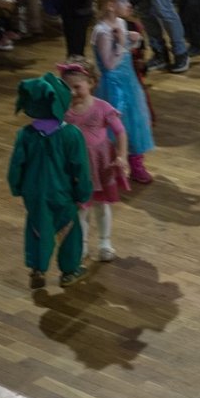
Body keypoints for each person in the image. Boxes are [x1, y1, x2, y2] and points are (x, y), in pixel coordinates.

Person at [7, 74, 95, 289]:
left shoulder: (25, 134)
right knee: (69, 230)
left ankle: (37, 269)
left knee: (38, 227)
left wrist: (17, 187)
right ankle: (69, 271)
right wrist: (83, 192)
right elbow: (80, 168)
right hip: (61, 193)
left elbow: (16, 166)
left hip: (33, 193)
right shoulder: (71, 134)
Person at [59, 61, 128, 264]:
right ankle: (82, 244)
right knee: (81, 207)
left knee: (101, 204)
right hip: (76, 166)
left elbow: (120, 132)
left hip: (100, 164)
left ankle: (105, 242)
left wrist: (122, 155)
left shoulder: (102, 107)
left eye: (77, 87)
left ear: (91, 82)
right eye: (67, 88)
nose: (72, 93)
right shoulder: (63, 110)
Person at [91, 0, 154, 184]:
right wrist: (121, 43)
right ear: (110, 5)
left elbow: (125, 51)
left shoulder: (120, 23)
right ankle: (113, 165)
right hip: (113, 86)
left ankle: (136, 164)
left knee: (135, 121)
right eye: (123, 0)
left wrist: (132, 40)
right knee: (117, 124)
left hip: (128, 81)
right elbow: (109, 64)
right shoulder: (102, 31)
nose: (128, 4)